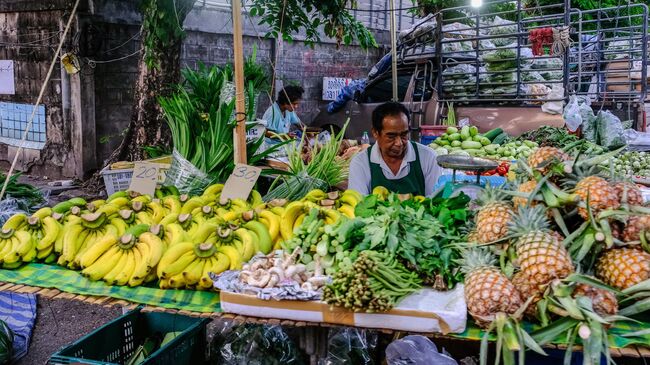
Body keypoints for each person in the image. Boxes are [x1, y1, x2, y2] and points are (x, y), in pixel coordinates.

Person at [348, 101, 443, 196]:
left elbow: (434, 203)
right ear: (375, 133)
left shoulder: (428, 157)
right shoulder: (360, 163)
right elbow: (358, 204)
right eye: (391, 136)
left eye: (404, 135)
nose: (399, 143)